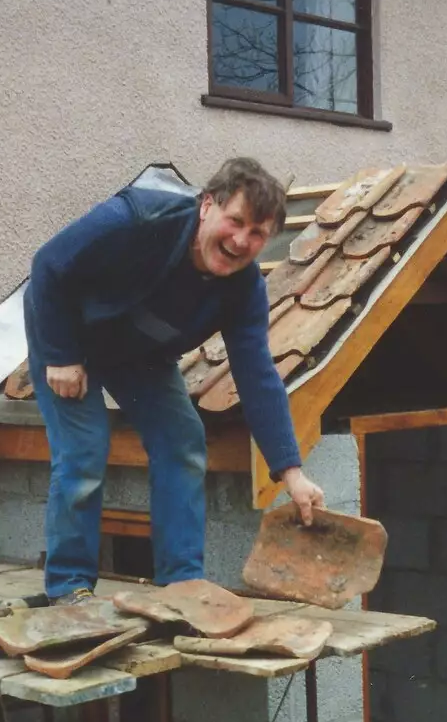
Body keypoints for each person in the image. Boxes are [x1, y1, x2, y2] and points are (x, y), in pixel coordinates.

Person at [23, 157, 325, 601]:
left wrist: (292, 473)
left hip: (139, 355)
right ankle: (69, 588)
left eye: (257, 233)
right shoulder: (137, 218)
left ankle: (181, 582)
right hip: (70, 336)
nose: (241, 241)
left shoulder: (244, 291)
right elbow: (48, 265)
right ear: (207, 206)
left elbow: (257, 375)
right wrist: (61, 354)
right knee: (84, 448)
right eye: (235, 221)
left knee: (183, 439)